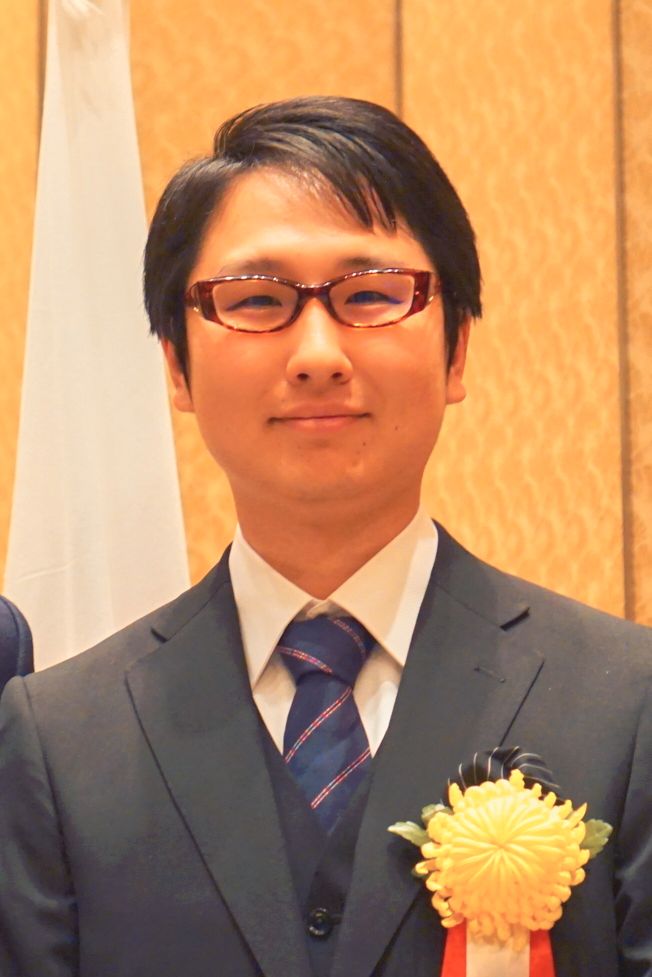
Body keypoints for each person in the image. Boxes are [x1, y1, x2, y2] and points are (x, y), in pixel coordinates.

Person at [0, 96, 650, 977]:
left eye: (371, 295)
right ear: (177, 367)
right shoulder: (58, 740)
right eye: (256, 300)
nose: (316, 353)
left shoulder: (626, 705)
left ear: (457, 350)